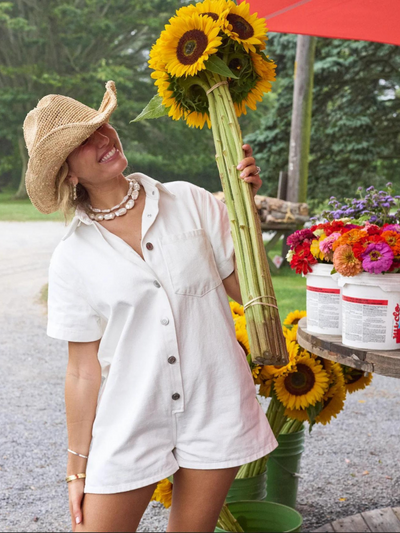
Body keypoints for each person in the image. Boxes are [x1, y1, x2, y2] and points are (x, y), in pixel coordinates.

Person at [23, 80, 278, 533]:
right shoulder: (71, 257)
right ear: (67, 174)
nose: (103, 139)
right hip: (131, 417)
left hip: (214, 407)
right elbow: (82, 372)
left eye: (102, 127)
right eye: (83, 141)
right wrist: (77, 468)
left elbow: (248, 289)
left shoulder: (192, 202)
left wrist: (246, 206)